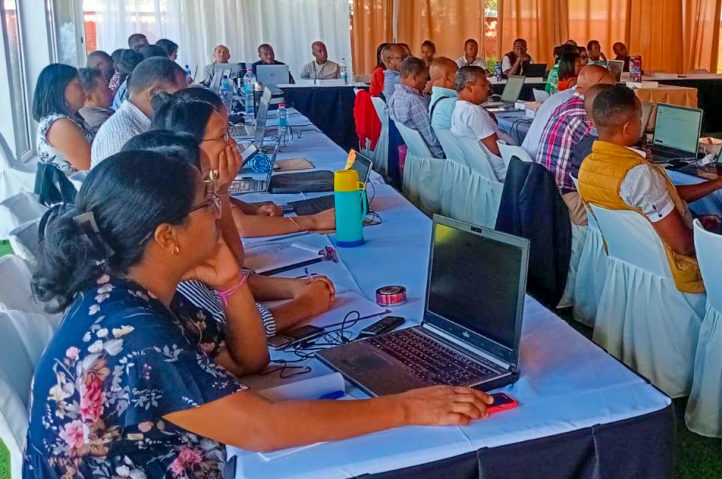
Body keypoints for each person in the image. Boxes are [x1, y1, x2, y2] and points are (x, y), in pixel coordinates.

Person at [25, 151, 492, 478]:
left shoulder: (128, 292)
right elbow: (262, 429)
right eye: (207, 203)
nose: (219, 212)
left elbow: (250, 361)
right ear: (167, 237)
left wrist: (231, 281)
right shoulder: (133, 334)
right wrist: (408, 406)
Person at [127, 119, 335, 339]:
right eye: (222, 135)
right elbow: (234, 333)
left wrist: (293, 288)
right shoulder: (171, 271)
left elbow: (226, 274)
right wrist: (306, 304)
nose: (232, 143)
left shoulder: (176, 240)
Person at [578, 85, 708, 294]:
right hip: (674, 273)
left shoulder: (588, 165)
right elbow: (683, 246)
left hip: (630, 263)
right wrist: (709, 234)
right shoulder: (638, 175)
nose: (642, 124)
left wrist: (717, 184)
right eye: (640, 119)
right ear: (628, 128)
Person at [162, 87, 336, 239]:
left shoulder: (201, 179)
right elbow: (240, 227)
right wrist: (312, 221)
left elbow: (230, 207)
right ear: (190, 143)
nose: (233, 143)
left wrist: (252, 209)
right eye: (222, 135)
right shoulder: (182, 192)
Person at [535, 65, 615, 225]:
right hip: (567, 201)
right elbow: (604, 165)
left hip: (547, 194)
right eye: (610, 90)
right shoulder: (586, 116)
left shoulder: (567, 105)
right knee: (630, 213)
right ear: (597, 89)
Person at [91, 57, 188, 164]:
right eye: (179, 97)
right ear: (154, 93)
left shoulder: (143, 123)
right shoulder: (121, 134)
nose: (183, 103)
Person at [451, 66, 512, 181]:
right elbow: (497, 150)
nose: (488, 88)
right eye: (483, 85)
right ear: (469, 88)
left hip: (481, 171)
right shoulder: (474, 112)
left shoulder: (458, 109)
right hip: (503, 172)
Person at [33, 64, 91, 174]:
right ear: (59, 89)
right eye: (78, 85)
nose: (84, 90)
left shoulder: (64, 119)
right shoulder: (60, 125)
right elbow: (89, 168)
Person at [390, 57, 443, 158]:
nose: (426, 82)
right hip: (434, 155)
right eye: (425, 78)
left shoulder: (396, 96)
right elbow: (433, 139)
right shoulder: (413, 101)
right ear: (414, 77)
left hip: (415, 152)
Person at [77, 67, 115, 132]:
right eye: (105, 89)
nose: (111, 91)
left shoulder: (99, 113)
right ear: (88, 96)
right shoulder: (99, 122)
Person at [428, 57, 459, 131]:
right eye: (458, 73)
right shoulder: (454, 104)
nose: (461, 78)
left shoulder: (434, 99)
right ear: (447, 78)